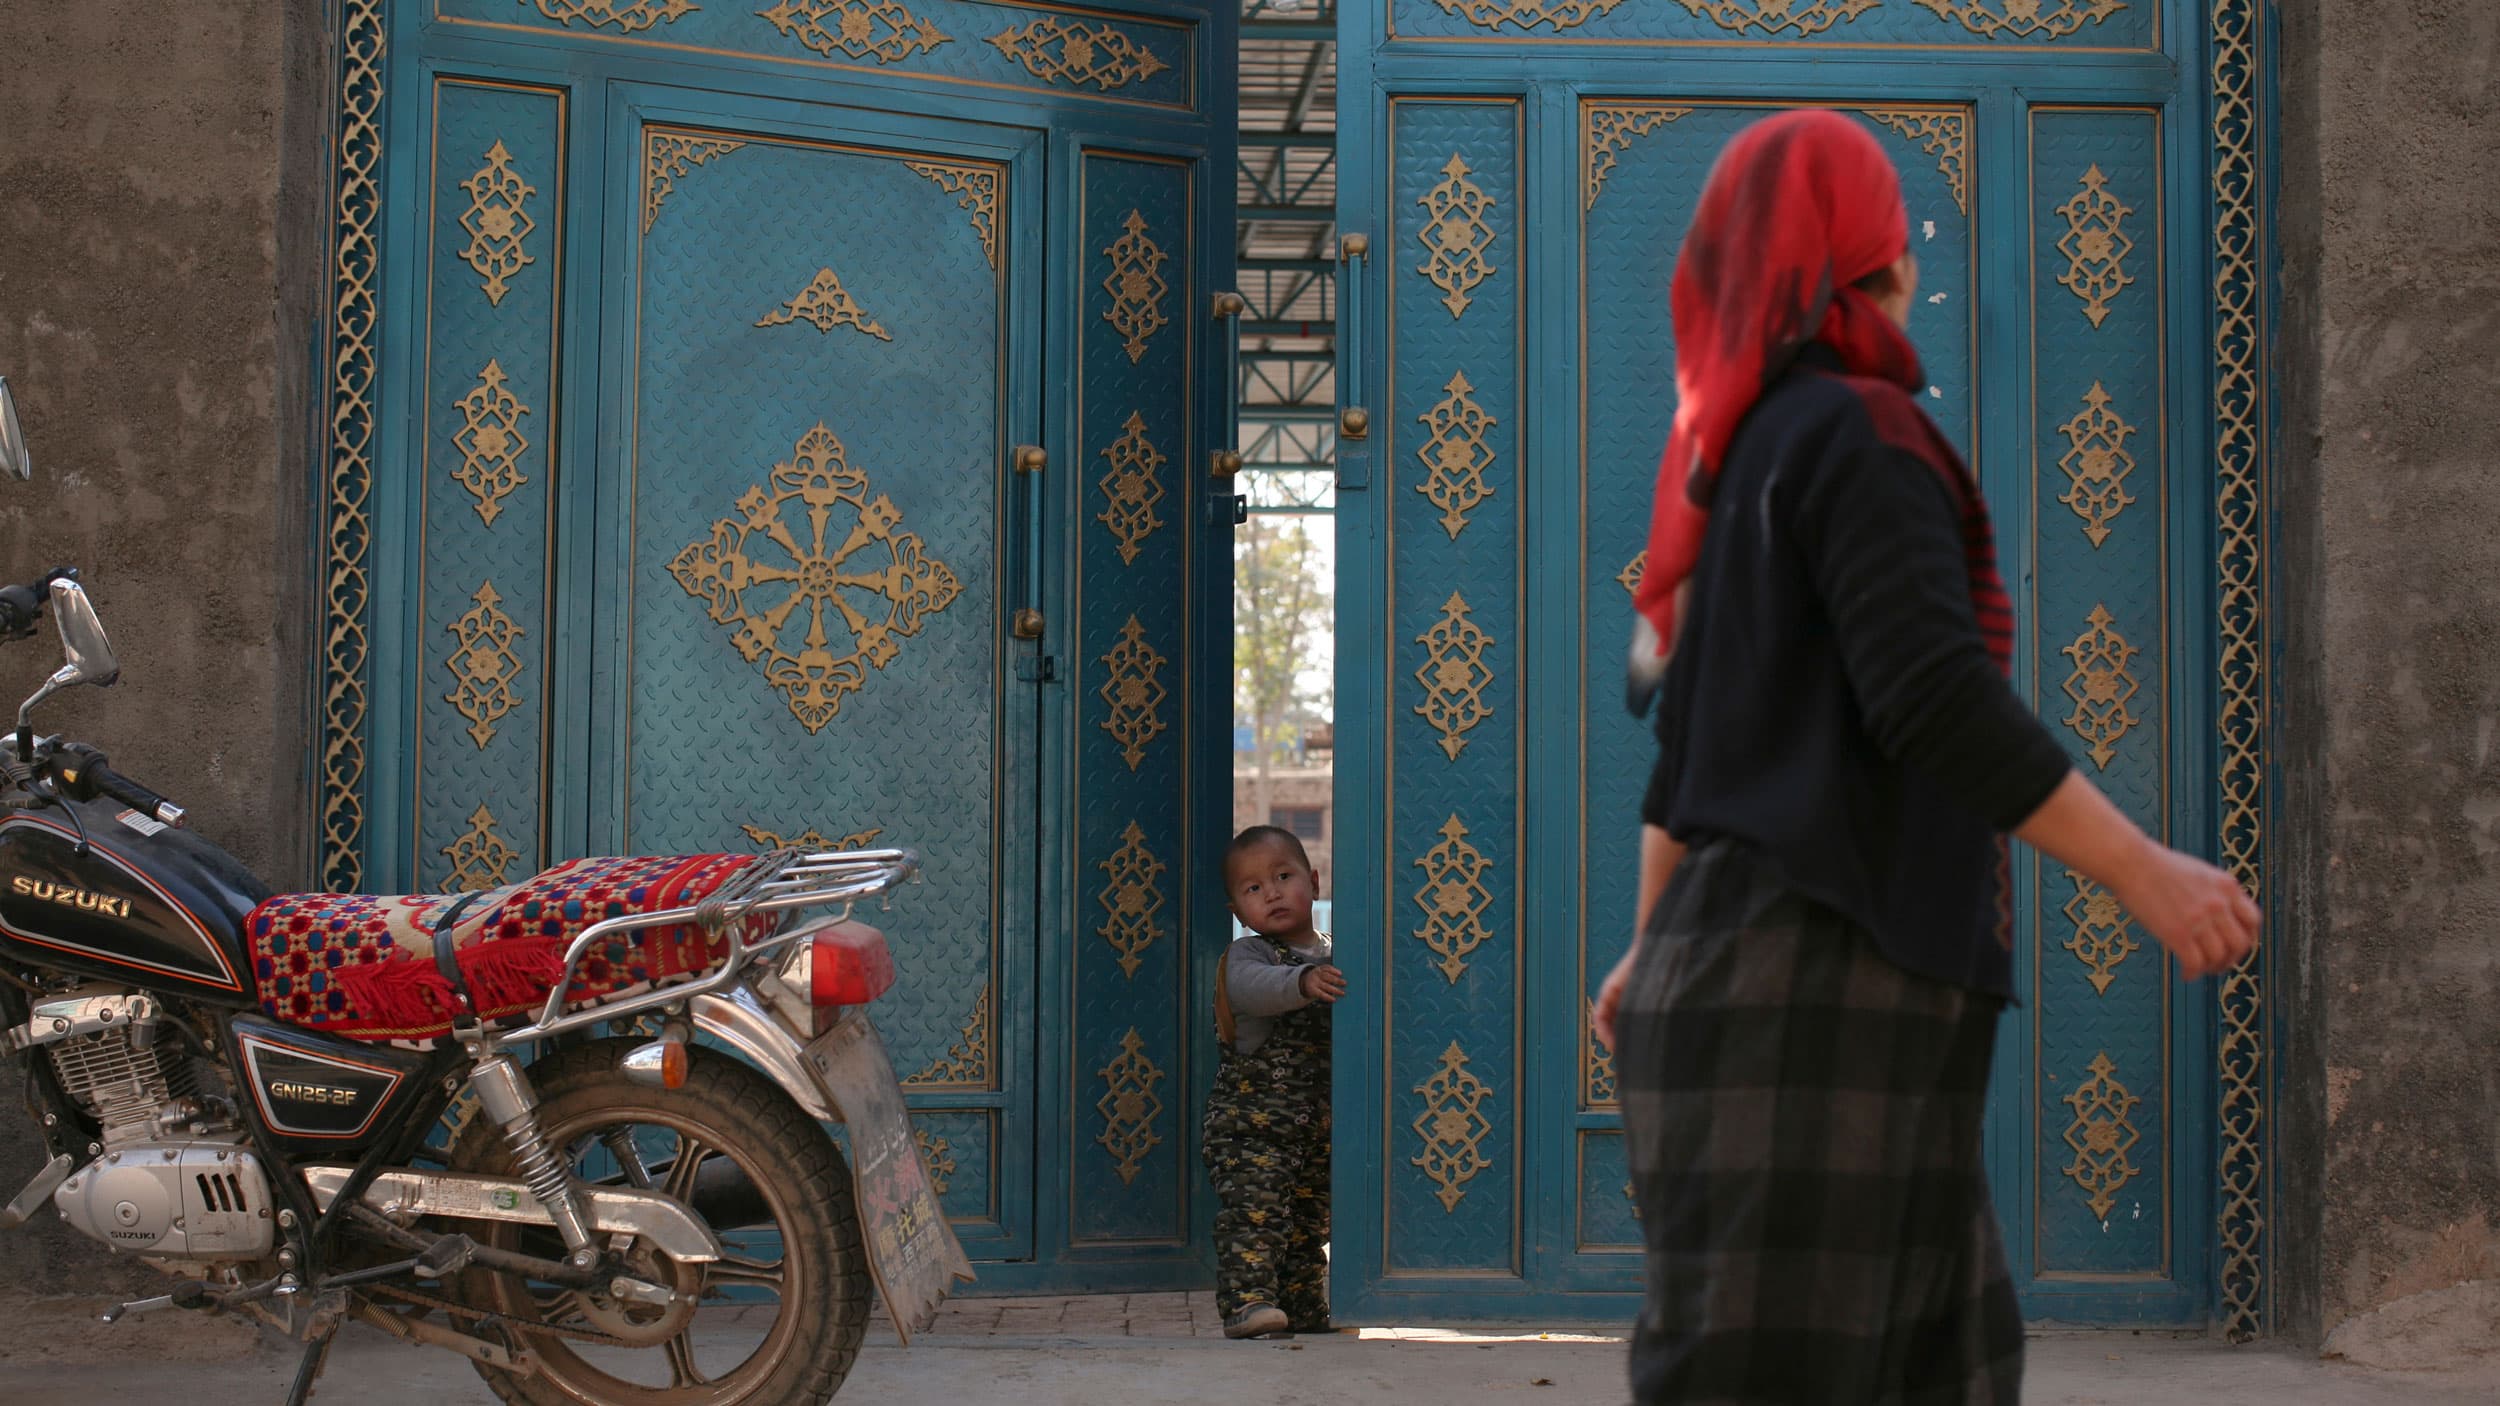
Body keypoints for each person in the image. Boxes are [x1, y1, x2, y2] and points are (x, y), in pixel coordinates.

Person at [1590, 110, 2260, 1404]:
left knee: (1933, 1364)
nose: (1913, 270)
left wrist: (1649, 943)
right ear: (1869, 259)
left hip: (1750, 979)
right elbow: (1935, 698)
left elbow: (1685, 750)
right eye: (1898, 239)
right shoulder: (1862, 434)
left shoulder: (1735, 465)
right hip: (1824, 981)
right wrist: (2143, 872)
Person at [1202, 824, 1342, 1340]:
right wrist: (1302, 983)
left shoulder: (1336, 953)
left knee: (1308, 1223)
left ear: (1315, 880)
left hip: (1316, 1129)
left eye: (1284, 876)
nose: (1273, 893)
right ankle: (1247, 1303)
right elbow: (1252, 991)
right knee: (1256, 1213)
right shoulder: (1251, 956)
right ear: (1238, 911)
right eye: (1254, 889)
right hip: (1250, 1127)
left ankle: (1304, 1308)